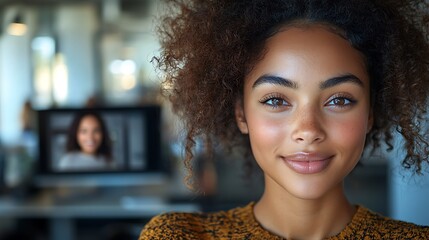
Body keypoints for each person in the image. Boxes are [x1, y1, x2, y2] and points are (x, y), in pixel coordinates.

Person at [140, 0, 429, 239]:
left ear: (370, 114)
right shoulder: (177, 235)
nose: (308, 130)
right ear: (241, 114)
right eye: (276, 100)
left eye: (339, 100)